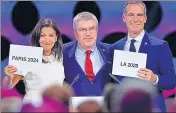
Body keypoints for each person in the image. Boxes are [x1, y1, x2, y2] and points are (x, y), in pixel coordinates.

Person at [108, 1, 176, 112]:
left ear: (145, 18)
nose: (135, 19)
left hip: (153, 107)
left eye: (139, 15)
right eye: (131, 15)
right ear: (124, 18)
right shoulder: (115, 48)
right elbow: (108, 82)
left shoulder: (160, 46)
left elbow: (171, 81)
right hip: (123, 107)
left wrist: (154, 78)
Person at [3, 18, 65, 104]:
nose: (47, 40)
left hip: (55, 107)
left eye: (51, 35)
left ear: (56, 38)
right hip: (33, 106)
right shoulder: (28, 55)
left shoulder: (61, 58)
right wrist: (9, 76)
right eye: (42, 35)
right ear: (37, 37)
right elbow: (8, 85)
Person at [63, 12, 111, 96]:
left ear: (97, 30)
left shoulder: (111, 51)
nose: (88, 34)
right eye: (82, 30)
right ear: (75, 32)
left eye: (91, 29)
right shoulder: (62, 52)